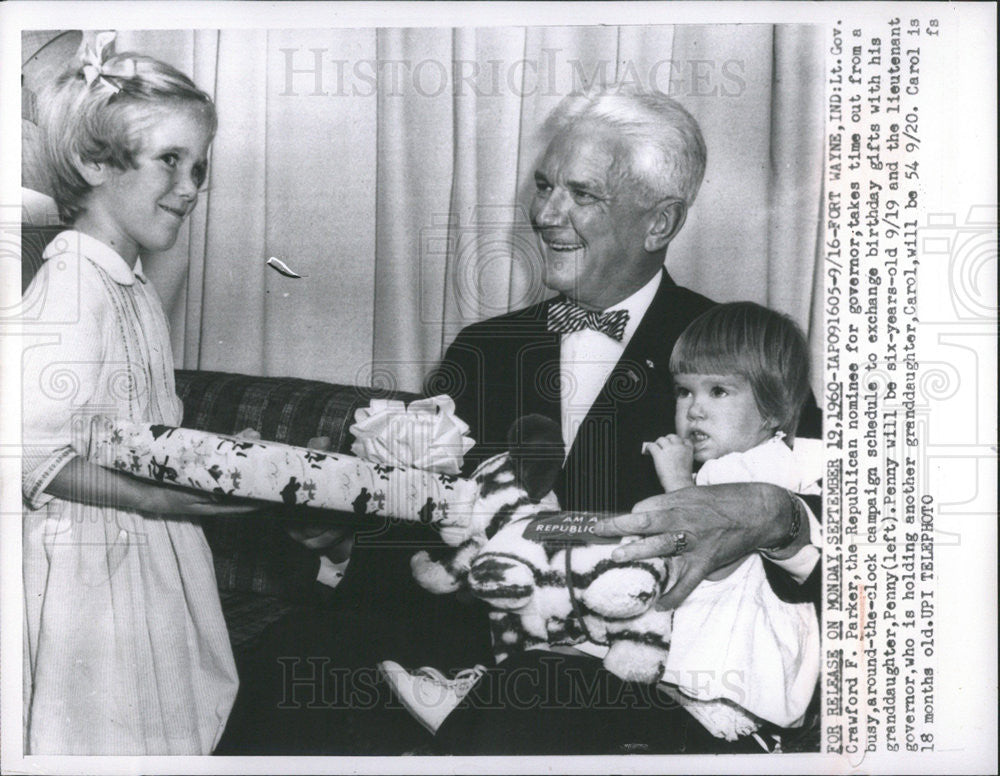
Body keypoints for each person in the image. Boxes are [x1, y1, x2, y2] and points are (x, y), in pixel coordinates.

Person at [380, 301, 821, 745]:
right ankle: (475, 706)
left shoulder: (768, 471)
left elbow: (714, 561)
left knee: (550, 675)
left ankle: (470, 714)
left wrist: (677, 482)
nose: (694, 410)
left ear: (773, 410)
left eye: (718, 392)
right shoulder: (723, 468)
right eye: (684, 391)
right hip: (683, 651)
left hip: (726, 684)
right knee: (556, 651)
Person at [21, 38, 254, 754]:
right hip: (87, 567)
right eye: (170, 161)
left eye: (199, 167)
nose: (190, 187)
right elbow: (23, 452)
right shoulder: (72, 287)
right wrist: (154, 499)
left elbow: (144, 431)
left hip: (147, 549)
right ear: (95, 163)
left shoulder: (131, 284)